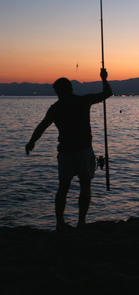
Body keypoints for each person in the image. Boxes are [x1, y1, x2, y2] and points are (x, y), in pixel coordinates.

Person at [25, 68, 112, 231]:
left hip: (66, 152)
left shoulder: (56, 108)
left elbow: (42, 127)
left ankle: (60, 223)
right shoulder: (82, 101)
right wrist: (104, 79)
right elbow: (107, 93)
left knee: (63, 187)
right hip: (83, 150)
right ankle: (81, 222)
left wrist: (31, 142)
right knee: (85, 186)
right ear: (71, 89)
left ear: (58, 91)